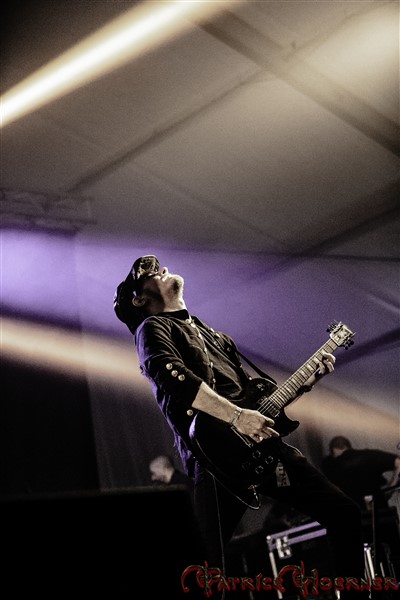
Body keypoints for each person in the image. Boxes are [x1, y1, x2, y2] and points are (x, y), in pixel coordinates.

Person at [113, 255, 370, 599]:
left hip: (262, 450)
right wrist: (236, 417)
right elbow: (175, 379)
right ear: (139, 299)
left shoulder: (215, 336)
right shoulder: (153, 328)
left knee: (344, 513)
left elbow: (257, 402)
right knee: (206, 571)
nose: (161, 268)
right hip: (214, 460)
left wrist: (304, 385)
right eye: (149, 272)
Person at [321, 436, 400, 510]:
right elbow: (398, 462)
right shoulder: (369, 455)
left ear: (333, 450)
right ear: (348, 446)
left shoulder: (331, 464)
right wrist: (390, 489)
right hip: (379, 512)